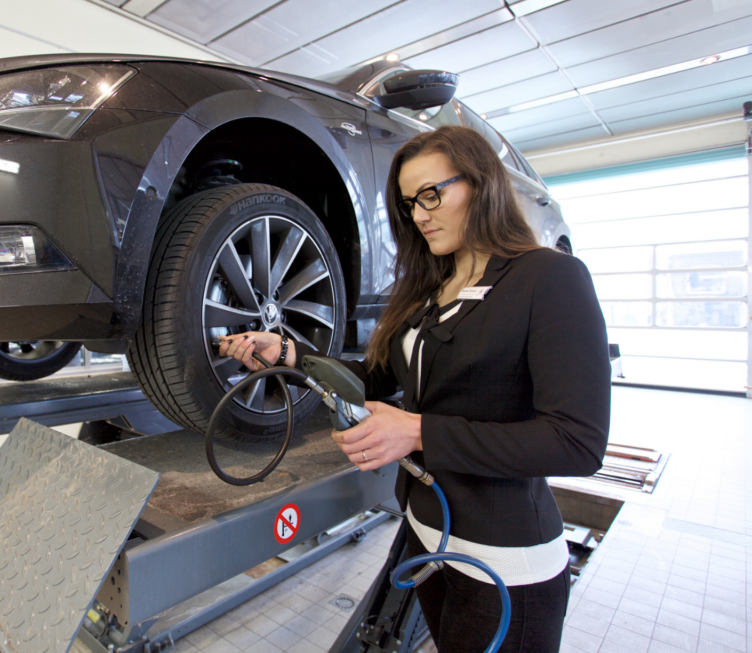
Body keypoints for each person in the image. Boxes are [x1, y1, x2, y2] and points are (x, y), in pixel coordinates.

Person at [218, 126, 610, 652]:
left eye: (432, 194)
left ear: (482, 184)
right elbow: (373, 378)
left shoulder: (549, 277)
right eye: (409, 204)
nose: (420, 215)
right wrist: (287, 354)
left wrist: (417, 431)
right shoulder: (429, 291)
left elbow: (577, 442)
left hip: (505, 564)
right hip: (428, 540)